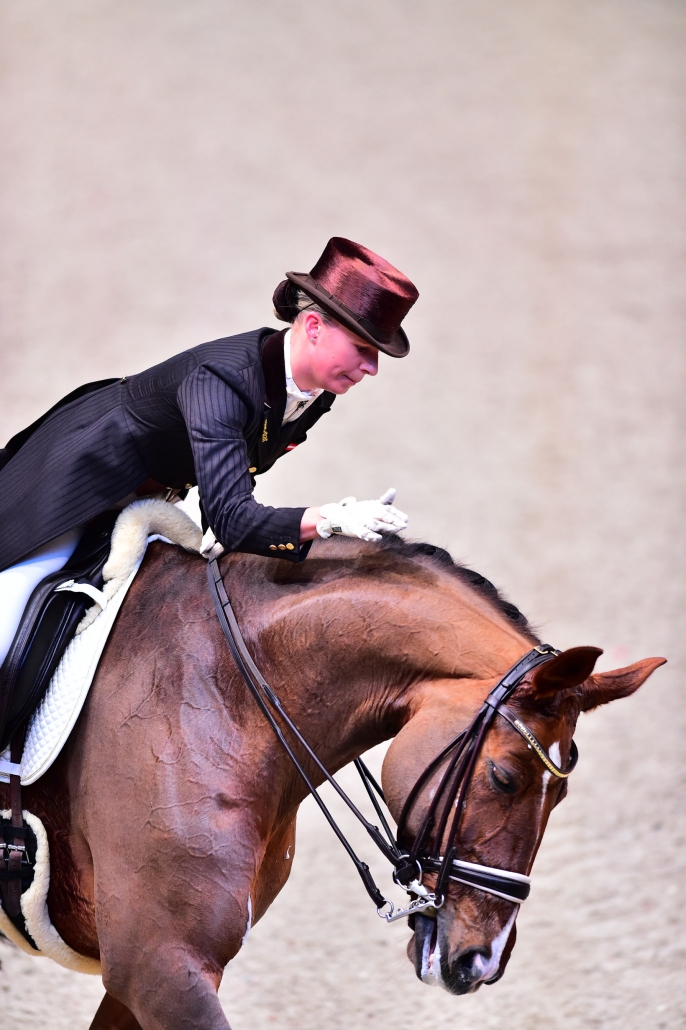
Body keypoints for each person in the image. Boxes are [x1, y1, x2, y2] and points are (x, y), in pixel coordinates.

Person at [0, 237, 419, 664]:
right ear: (313, 328)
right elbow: (233, 516)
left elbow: (238, 469)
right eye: (364, 349)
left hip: (149, 497)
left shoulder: (317, 392)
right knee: (12, 607)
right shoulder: (221, 379)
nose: (372, 367)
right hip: (78, 480)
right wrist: (331, 519)